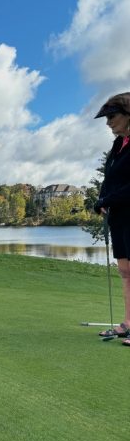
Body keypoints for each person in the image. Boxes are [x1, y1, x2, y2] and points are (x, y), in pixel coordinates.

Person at [94, 92, 130, 345]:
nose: (108, 122)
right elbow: (111, 179)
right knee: (126, 271)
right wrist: (101, 200)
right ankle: (128, 324)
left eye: (112, 116)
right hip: (120, 216)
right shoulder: (119, 145)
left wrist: (108, 200)